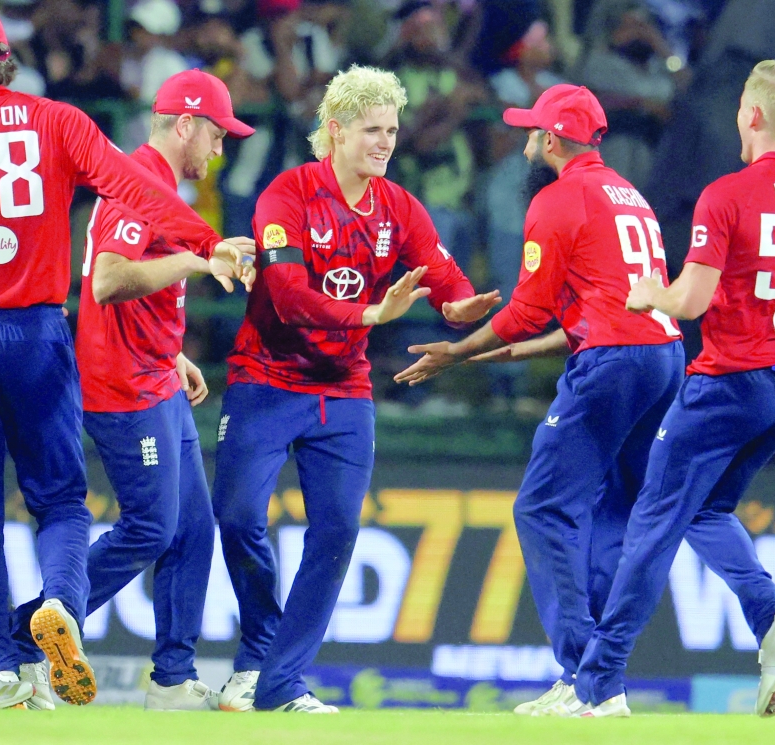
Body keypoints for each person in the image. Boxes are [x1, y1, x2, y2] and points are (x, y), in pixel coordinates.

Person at [396, 83, 775, 717]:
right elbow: (605, 307)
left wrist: (455, 351)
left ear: (551, 140)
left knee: (541, 508)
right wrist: (512, 353)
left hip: (614, 364)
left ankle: (585, 680)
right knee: (613, 511)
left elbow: (526, 310)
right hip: (662, 358)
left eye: (531, 131)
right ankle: (600, 681)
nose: (525, 141)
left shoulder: (557, 199)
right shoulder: (625, 194)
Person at [564, 60, 775, 718]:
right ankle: (773, 620)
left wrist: (652, 292)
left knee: (651, 523)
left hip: (729, 382)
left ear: (755, 116)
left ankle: (597, 688)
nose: (739, 116)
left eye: (741, 106)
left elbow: (691, 299)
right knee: (702, 511)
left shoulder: (728, 194)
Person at [0, 4, 252, 709]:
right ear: (9, 59)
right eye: (218, 134)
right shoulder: (59, 120)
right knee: (64, 502)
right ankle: (58, 609)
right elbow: (127, 194)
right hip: (42, 334)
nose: (220, 146)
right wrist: (205, 241)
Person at [212, 65, 500, 714]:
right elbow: (285, 297)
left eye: (393, 130)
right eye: (372, 130)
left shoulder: (398, 206)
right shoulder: (287, 195)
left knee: (338, 530)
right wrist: (371, 316)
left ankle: (281, 682)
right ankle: (258, 653)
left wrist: (461, 309)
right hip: (266, 380)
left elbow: (443, 273)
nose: (386, 142)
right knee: (235, 517)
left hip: (343, 394)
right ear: (334, 132)